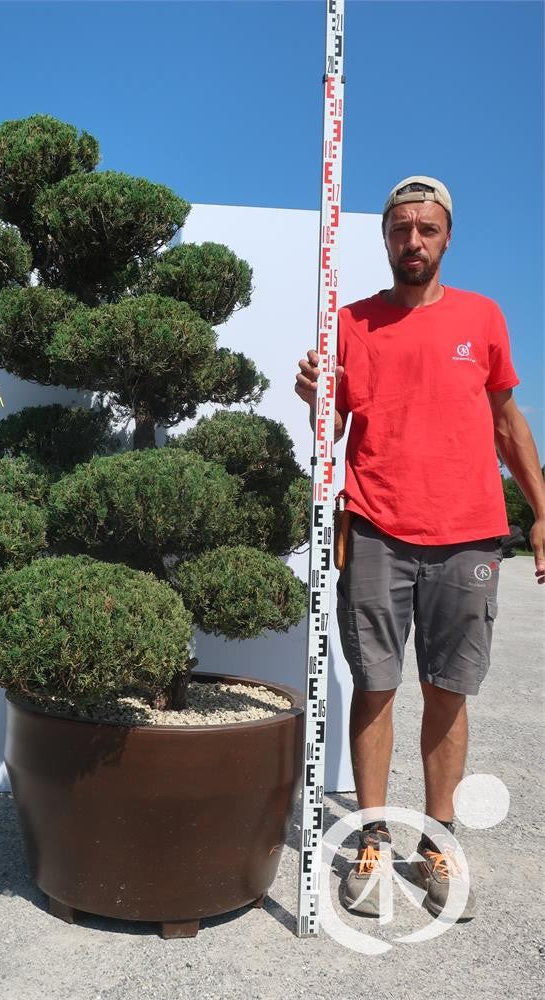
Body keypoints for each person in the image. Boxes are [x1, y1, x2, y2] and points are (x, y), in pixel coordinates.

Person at [294, 176, 545, 921]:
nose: (413, 241)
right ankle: (371, 838)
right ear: (384, 237)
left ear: (445, 236)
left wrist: (539, 510)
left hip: (468, 533)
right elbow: (326, 433)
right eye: (400, 228)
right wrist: (312, 396)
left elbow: (507, 424)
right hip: (374, 527)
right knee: (373, 687)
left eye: (426, 229)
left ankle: (436, 841)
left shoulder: (482, 317)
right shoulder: (350, 323)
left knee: (448, 690)